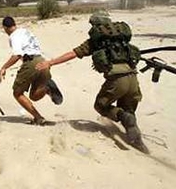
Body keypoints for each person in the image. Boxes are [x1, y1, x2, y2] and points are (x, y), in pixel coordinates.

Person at [36, 11, 149, 154]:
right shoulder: (123, 40)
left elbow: (73, 54)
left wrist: (50, 62)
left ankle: (123, 116)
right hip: (133, 79)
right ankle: (137, 140)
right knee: (129, 109)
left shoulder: (95, 42)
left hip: (116, 81)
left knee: (101, 105)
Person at [0, 16, 63, 125]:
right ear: (15, 24)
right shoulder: (25, 32)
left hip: (31, 62)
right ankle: (46, 88)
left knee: (17, 93)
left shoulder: (14, 36)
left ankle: (38, 117)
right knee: (33, 96)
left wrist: (4, 67)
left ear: (5, 28)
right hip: (43, 61)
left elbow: (17, 55)